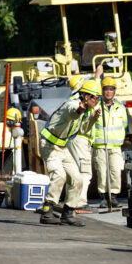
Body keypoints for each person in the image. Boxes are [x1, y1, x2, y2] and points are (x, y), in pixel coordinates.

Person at [39, 80, 101, 226]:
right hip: (49, 146)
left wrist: (92, 118)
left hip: (62, 147)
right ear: (85, 97)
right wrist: (80, 111)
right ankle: (47, 211)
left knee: (77, 179)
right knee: (59, 175)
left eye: (98, 98)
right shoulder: (73, 105)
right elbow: (73, 113)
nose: (96, 101)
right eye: (94, 97)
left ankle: (68, 213)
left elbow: (84, 130)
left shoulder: (87, 110)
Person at [66, 66, 103, 214]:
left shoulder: (73, 100)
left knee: (75, 173)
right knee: (84, 173)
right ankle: (80, 203)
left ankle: (72, 201)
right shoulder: (80, 102)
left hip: (74, 140)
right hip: (80, 140)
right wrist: (97, 76)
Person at [93, 77, 127, 208]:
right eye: (106, 89)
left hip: (115, 146)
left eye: (111, 90)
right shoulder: (96, 106)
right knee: (102, 172)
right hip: (100, 145)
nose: (108, 92)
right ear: (102, 91)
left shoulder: (120, 107)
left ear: (114, 92)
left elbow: (124, 124)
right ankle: (103, 197)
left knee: (115, 171)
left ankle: (113, 197)